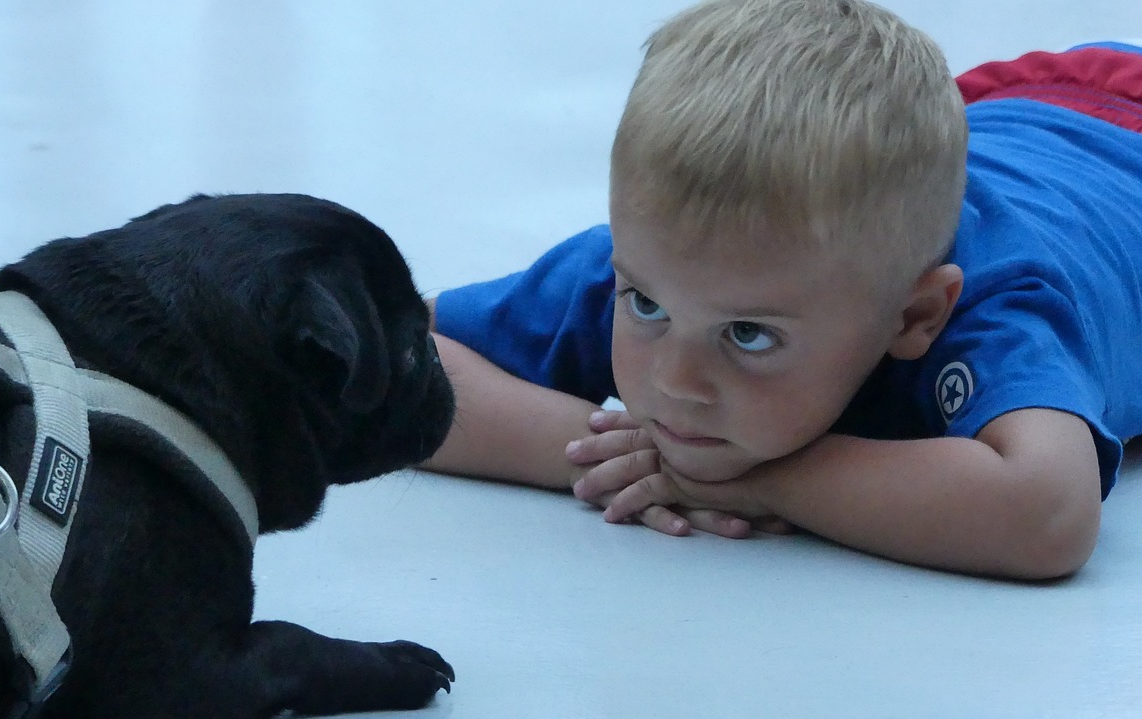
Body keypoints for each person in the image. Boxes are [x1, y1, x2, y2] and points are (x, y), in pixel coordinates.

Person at [421, 0, 1142, 580]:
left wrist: (767, 481)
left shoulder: (997, 307)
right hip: (1006, 106)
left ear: (917, 315)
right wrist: (606, 454)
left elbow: (1048, 511)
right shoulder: (680, 254)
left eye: (748, 335)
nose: (676, 382)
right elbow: (396, 355)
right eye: (645, 306)